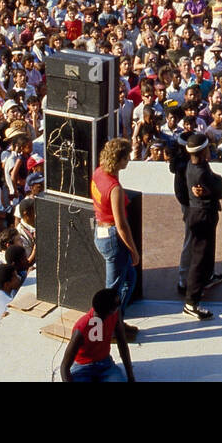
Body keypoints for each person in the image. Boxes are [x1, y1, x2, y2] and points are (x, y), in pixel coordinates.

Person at [90, 138, 140, 336]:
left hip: (101, 232)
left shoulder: (98, 172)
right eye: (126, 157)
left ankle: (116, 320)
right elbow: (122, 225)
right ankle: (107, 328)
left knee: (129, 277)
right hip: (112, 238)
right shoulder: (115, 189)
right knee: (113, 290)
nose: (129, 160)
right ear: (118, 159)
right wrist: (134, 251)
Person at [183, 130, 222, 321]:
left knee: (207, 252)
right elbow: (220, 188)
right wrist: (216, 184)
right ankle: (191, 303)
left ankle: (208, 277)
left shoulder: (193, 166)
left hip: (199, 213)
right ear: (202, 152)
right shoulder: (202, 175)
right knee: (199, 259)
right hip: (203, 215)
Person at [59, 287, 135, 383]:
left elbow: (122, 343)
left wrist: (130, 377)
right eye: (116, 307)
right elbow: (64, 368)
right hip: (82, 369)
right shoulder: (81, 329)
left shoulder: (115, 314)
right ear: (110, 312)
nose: (118, 308)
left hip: (105, 365)